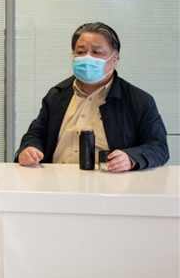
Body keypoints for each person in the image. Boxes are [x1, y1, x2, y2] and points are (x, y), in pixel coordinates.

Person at [15, 22, 169, 172]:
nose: (87, 58)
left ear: (114, 58)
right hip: (57, 180)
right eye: (81, 52)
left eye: (97, 52)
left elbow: (158, 146)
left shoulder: (138, 100)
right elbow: (37, 133)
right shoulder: (57, 95)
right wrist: (29, 148)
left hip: (111, 182)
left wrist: (130, 158)